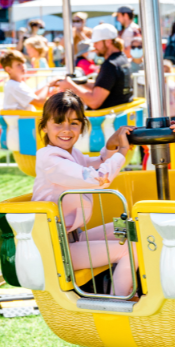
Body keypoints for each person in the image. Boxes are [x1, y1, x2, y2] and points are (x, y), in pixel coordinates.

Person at [32, 91, 137, 296]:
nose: (66, 130)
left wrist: (112, 144)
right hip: (55, 246)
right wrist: (123, 151)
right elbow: (97, 178)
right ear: (44, 126)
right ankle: (119, 303)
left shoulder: (71, 154)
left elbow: (96, 164)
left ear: (82, 126)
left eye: (74, 123)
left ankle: (132, 285)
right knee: (129, 250)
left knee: (127, 227)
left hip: (72, 238)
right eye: (58, 123)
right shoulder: (51, 159)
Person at [56, 24, 133, 110]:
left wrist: (71, 86)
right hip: (117, 114)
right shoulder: (122, 59)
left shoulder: (110, 64)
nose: (94, 47)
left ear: (108, 42)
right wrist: (80, 81)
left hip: (106, 119)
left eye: (96, 43)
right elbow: (107, 85)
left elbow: (94, 102)